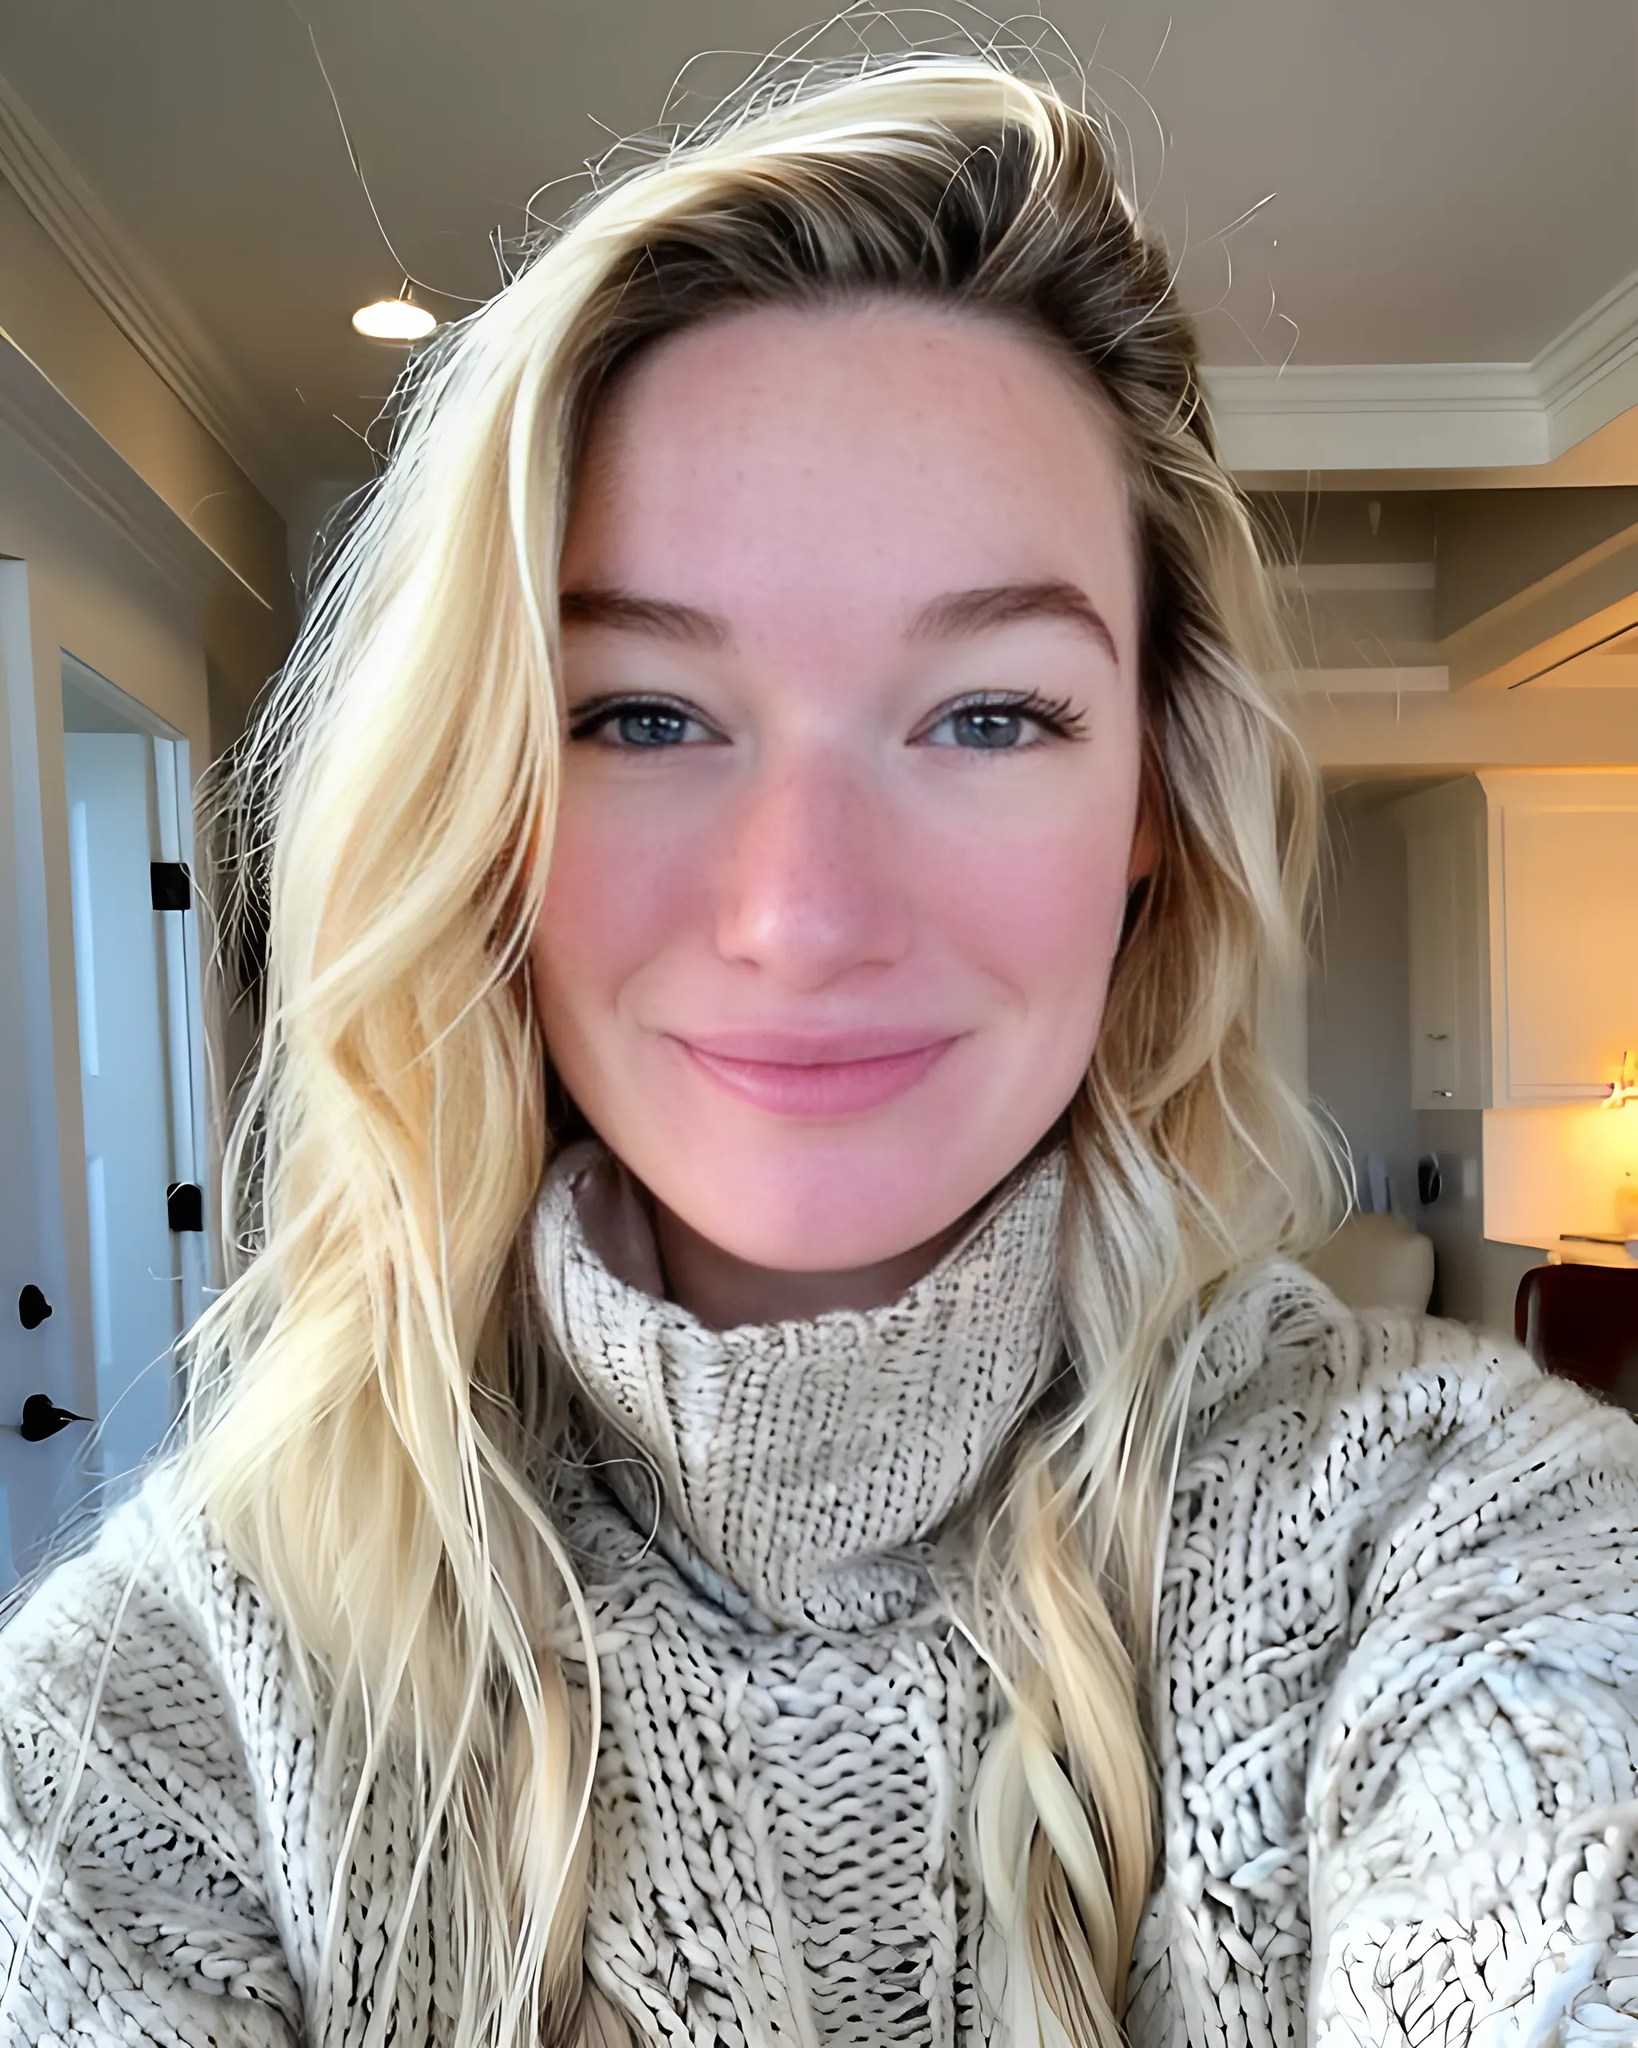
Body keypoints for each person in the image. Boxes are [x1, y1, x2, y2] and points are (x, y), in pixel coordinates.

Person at [2, 26, 1636, 2048]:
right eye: (640, 717)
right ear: (479, 805)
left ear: (1149, 799)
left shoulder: (1455, 1540)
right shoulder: (151, 1729)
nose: (802, 913)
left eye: (989, 714)